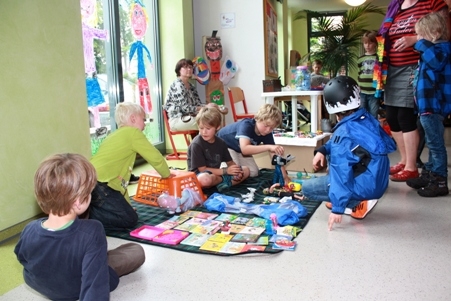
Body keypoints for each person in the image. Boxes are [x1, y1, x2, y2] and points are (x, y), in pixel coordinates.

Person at [14, 153, 145, 300]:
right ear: (78, 202)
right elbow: (94, 289)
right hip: (75, 288)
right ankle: (94, 255)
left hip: (39, 284)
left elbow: (22, 256)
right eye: (89, 193)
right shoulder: (93, 230)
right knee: (136, 251)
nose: (91, 195)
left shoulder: (29, 228)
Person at [301, 76, 396, 231]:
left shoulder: (343, 133)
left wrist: (337, 208)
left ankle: (354, 203)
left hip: (365, 185)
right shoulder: (365, 118)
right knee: (335, 174)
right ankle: (350, 198)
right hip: (377, 180)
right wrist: (323, 150)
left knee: (307, 188)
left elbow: (341, 172)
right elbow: (345, 145)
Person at [374, 0, 447, 182]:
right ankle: (405, 159)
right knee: (391, 116)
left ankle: (411, 167)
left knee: (404, 117)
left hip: (415, 68)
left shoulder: (433, 3)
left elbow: (444, 33)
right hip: (391, 69)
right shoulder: (395, 6)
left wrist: (415, 39)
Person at [89, 102, 171, 230]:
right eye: (143, 120)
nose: (144, 124)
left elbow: (122, 185)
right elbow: (155, 156)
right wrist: (167, 174)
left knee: (127, 212)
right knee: (130, 219)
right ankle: (89, 217)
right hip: (99, 185)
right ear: (133, 119)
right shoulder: (133, 133)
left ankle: (88, 209)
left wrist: (126, 205)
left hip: (90, 182)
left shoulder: (115, 135)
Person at [406, 12, 451, 197]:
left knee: (436, 144)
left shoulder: (442, 49)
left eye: (422, 35)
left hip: (434, 106)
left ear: (436, 32)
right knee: (432, 144)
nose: (419, 40)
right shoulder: (432, 51)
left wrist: (421, 43)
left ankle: (440, 180)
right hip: (427, 107)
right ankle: (430, 174)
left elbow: (437, 63)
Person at [217, 104, 290, 185]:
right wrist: (268, 147)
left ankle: (236, 172)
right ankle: (221, 173)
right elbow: (245, 150)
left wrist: (284, 176)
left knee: (254, 172)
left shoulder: (266, 133)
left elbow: (275, 155)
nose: (268, 130)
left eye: (272, 128)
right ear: (258, 119)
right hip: (225, 146)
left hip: (238, 149)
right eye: (266, 125)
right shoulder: (246, 125)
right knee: (236, 173)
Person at [187, 106, 250, 192]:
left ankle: (221, 183)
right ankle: (223, 182)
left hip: (217, 175)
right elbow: (203, 169)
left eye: (208, 128)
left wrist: (237, 172)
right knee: (205, 179)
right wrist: (225, 171)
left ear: (217, 127)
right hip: (199, 176)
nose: (204, 132)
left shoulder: (221, 143)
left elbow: (230, 162)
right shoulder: (196, 144)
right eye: (201, 128)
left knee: (246, 170)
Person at [163, 58, 217, 131]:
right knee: (206, 122)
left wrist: (210, 106)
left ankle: (204, 141)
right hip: (177, 120)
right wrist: (206, 107)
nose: (189, 69)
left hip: (189, 117)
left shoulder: (191, 86)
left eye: (190, 67)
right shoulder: (178, 85)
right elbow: (185, 108)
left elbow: (198, 104)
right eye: (185, 67)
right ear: (179, 70)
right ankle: (201, 142)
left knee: (213, 118)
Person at [357, 30, 379, 119]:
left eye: (370, 43)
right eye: (365, 43)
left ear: (375, 43)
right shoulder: (360, 59)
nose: (367, 46)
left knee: (373, 114)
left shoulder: (378, 58)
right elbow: (359, 73)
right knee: (361, 114)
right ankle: (363, 132)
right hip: (362, 91)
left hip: (374, 92)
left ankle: (373, 132)